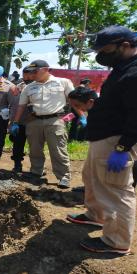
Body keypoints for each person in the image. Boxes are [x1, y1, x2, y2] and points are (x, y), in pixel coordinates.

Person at [66, 26, 137, 255]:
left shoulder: (134, 73)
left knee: (115, 189)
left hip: (116, 140)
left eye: (106, 49)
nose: (101, 55)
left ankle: (116, 241)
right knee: (92, 177)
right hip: (103, 138)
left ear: (125, 46)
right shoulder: (121, 68)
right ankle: (95, 215)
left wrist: (122, 148)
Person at [10, 60, 74, 188]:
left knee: (58, 150)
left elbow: (74, 101)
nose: (32, 74)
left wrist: (70, 117)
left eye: (35, 71)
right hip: (34, 121)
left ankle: (64, 177)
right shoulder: (29, 87)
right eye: (31, 71)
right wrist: (15, 123)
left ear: (45, 69)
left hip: (55, 120)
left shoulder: (63, 82)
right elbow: (21, 106)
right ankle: (36, 171)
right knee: (35, 149)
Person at [8, 67, 35, 173]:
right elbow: (14, 105)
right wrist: (12, 121)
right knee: (17, 144)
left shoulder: (39, 86)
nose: (26, 77)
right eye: (25, 74)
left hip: (34, 121)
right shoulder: (17, 87)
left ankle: (36, 168)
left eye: (29, 74)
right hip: (19, 122)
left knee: (35, 146)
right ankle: (17, 164)